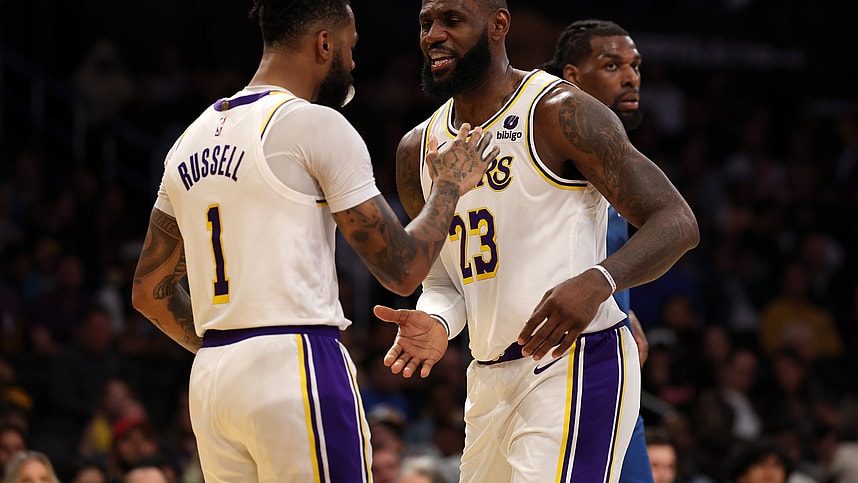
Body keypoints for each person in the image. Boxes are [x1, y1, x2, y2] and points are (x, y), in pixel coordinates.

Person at [130, 0, 498, 482]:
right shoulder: (315, 124)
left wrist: (229, 349)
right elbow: (403, 270)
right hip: (295, 362)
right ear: (324, 44)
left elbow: (149, 292)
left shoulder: (189, 140)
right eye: (350, 47)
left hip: (213, 378)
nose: (352, 61)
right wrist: (449, 185)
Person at [373, 1, 699, 482]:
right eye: (426, 24)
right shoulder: (416, 149)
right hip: (486, 378)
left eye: (453, 21)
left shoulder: (557, 111)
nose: (434, 35)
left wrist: (598, 281)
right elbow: (445, 279)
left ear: (499, 25)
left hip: (575, 364)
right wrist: (438, 319)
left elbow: (676, 220)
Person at [536, 18, 652, 483]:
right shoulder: (548, 150)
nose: (631, 76)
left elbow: (603, 256)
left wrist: (627, 314)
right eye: (612, 65)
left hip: (613, 363)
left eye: (635, 65)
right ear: (572, 78)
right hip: (559, 370)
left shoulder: (614, 151)